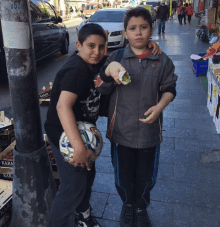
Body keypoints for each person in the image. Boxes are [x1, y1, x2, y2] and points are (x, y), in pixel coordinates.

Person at [44, 22, 161, 227]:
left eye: (101, 46)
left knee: (87, 177)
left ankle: (83, 215)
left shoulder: (96, 63)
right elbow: (63, 107)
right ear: (78, 45)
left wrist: (148, 44)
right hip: (66, 136)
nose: (96, 52)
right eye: (91, 46)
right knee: (72, 186)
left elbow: (116, 58)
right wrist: (78, 147)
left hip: (84, 135)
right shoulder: (76, 70)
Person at [95, 7, 177, 227]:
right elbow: (100, 88)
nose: (138, 33)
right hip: (121, 131)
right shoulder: (116, 57)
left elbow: (170, 88)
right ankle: (127, 205)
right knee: (122, 175)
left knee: (147, 175)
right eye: (132, 28)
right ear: (125, 32)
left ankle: (141, 206)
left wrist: (160, 107)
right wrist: (109, 73)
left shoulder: (161, 60)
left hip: (150, 132)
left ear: (151, 29)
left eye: (143, 27)